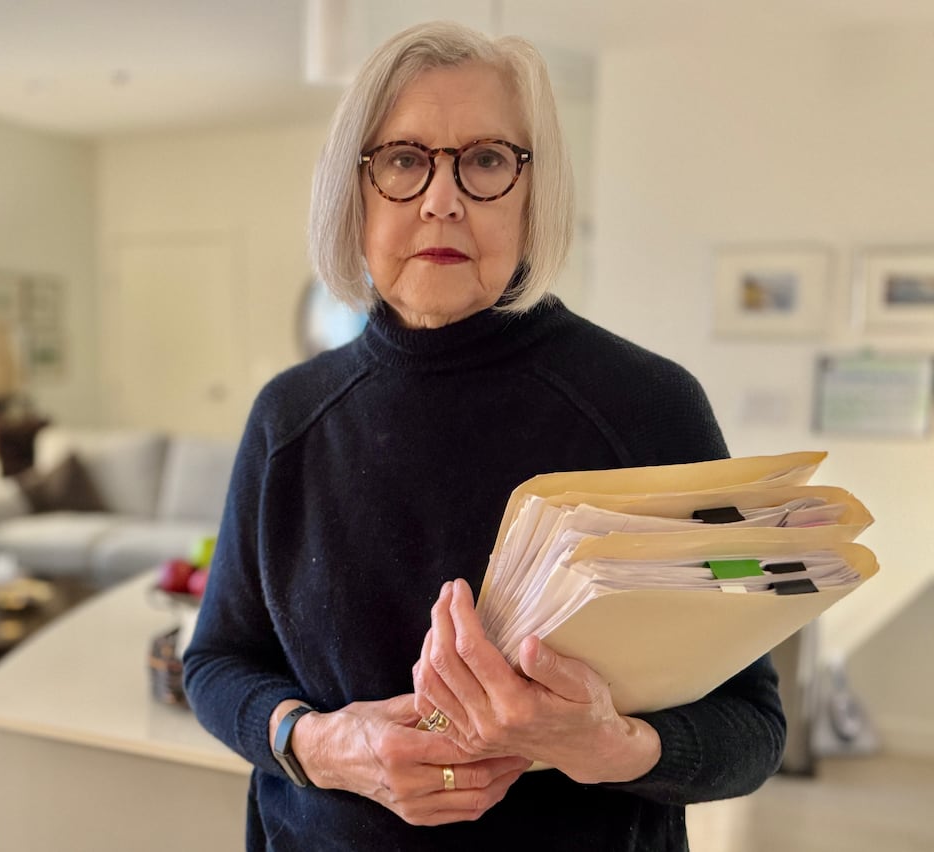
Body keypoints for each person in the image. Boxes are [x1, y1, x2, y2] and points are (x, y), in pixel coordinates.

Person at [183, 20, 785, 851]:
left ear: (535, 190)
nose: (441, 198)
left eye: (487, 159)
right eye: (402, 158)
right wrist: (317, 744)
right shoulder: (289, 417)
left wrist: (612, 746)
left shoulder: (650, 407)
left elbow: (752, 729)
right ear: (352, 191)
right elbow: (215, 664)